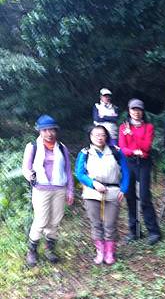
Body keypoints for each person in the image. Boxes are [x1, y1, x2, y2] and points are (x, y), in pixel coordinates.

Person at [22, 114, 74, 266]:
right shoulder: (33, 146)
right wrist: (29, 175)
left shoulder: (62, 147)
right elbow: (26, 168)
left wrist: (70, 191)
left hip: (59, 188)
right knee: (41, 220)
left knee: (55, 220)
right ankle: (32, 250)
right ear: (39, 131)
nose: (49, 133)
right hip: (41, 188)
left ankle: (49, 249)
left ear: (56, 131)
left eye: (52, 130)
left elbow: (68, 170)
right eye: (45, 130)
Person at [75, 126, 129, 265]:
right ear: (90, 136)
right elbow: (80, 173)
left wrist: (123, 189)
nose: (99, 137)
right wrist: (93, 184)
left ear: (106, 137)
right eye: (96, 135)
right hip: (92, 192)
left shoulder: (116, 151)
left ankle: (110, 252)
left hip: (113, 191)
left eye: (102, 135)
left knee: (110, 223)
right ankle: (100, 251)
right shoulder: (85, 153)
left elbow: (126, 171)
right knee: (96, 223)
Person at [119, 98, 161, 245]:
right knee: (130, 196)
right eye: (133, 109)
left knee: (144, 197)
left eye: (139, 110)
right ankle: (134, 231)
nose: (136, 112)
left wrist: (131, 135)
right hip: (129, 163)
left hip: (144, 163)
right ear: (129, 111)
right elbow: (123, 148)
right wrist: (134, 150)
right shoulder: (123, 127)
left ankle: (154, 231)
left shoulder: (148, 127)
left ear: (142, 112)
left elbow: (146, 146)